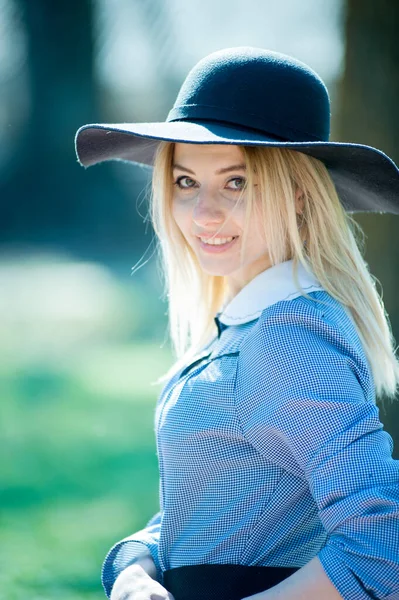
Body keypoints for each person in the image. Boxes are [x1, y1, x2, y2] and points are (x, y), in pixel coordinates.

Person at [75, 47, 399, 600]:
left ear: (298, 196)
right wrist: (137, 568)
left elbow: (382, 545)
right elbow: (221, 505)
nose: (203, 213)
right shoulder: (252, 324)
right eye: (185, 182)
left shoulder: (290, 336)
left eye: (236, 182)